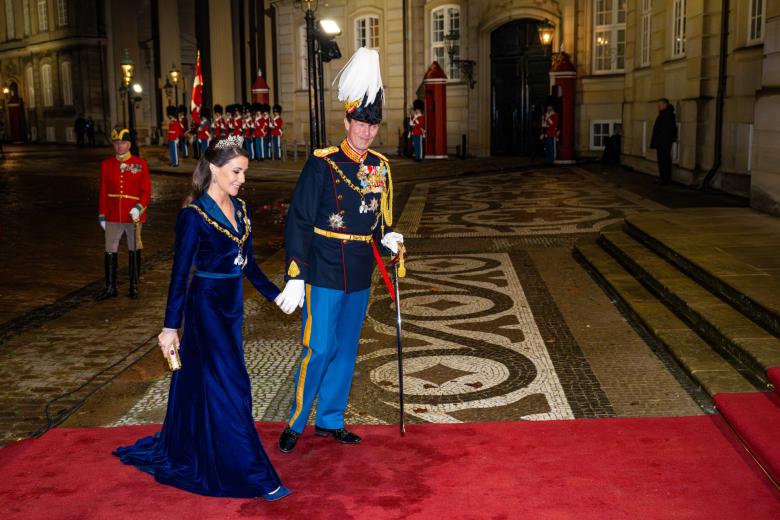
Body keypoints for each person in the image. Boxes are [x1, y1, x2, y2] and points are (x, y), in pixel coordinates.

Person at [114, 135, 292, 501]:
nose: (242, 179)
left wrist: (279, 296)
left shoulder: (240, 210)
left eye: (244, 172)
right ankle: (256, 474)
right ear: (214, 168)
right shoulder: (193, 216)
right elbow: (180, 276)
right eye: (236, 171)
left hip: (232, 309)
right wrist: (169, 328)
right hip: (206, 309)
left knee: (207, 383)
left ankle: (193, 444)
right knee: (233, 386)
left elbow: (249, 264)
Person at [276, 47, 405, 453]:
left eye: (373, 125)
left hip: (360, 270)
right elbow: (298, 219)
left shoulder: (380, 167)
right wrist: (296, 274)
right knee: (320, 348)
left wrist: (388, 236)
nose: (367, 132)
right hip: (324, 267)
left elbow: (378, 217)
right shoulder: (322, 163)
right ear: (347, 120)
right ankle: (297, 421)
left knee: (347, 350)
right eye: (361, 123)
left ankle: (330, 419)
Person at [97, 127, 151, 300]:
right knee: (110, 250)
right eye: (117, 143)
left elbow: (146, 192)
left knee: (133, 249)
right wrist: (102, 215)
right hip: (113, 214)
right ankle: (111, 287)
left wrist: (139, 207)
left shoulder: (140, 164)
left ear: (129, 144)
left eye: (123, 143)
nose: (120, 146)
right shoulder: (106, 165)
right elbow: (103, 191)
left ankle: (133, 286)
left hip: (132, 215)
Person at [650, 98, 678, 185]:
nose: (658, 107)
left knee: (664, 160)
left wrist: (662, 140)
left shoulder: (668, 115)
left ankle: (665, 179)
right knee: (662, 160)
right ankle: (663, 178)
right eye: (658, 105)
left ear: (665, 104)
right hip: (661, 142)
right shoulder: (664, 114)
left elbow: (668, 130)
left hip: (664, 142)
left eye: (660, 105)